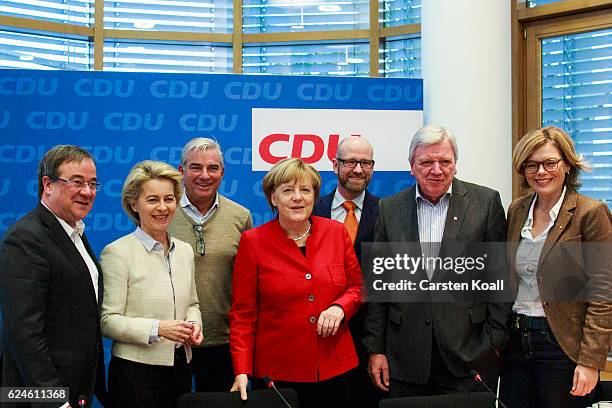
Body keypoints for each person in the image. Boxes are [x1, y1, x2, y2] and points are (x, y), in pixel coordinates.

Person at [363, 124, 511, 397]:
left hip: (469, 353)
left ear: (455, 164)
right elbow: (378, 286)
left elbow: (499, 278)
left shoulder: (486, 203)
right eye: (427, 162)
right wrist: (376, 349)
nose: (437, 169)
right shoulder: (389, 209)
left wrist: (495, 342)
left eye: (445, 161)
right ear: (412, 166)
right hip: (404, 354)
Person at [229, 158, 363, 408]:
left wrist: (340, 307)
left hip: (335, 369)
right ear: (273, 198)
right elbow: (242, 315)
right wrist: (242, 369)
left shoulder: (336, 232)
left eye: (305, 190)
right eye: (288, 190)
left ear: (314, 196)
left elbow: (357, 287)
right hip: (279, 374)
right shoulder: (253, 242)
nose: (297, 198)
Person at [499, 126, 612, 408]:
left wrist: (590, 361)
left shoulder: (590, 213)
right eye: (532, 165)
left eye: (550, 163)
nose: (541, 172)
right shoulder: (517, 210)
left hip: (561, 345)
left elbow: (603, 293)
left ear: (567, 165)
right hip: (516, 341)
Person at [0, 145, 107, 407]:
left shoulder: (74, 232)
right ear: (47, 184)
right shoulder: (25, 238)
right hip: (39, 394)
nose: (87, 192)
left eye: (93, 184)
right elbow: (24, 331)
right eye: (77, 182)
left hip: (76, 386)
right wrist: (53, 399)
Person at [100, 160, 202, 408]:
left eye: (169, 199)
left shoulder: (185, 251)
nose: (162, 207)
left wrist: (194, 325)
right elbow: (107, 321)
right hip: (135, 374)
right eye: (152, 199)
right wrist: (158, 328)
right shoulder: (117, 252)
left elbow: (193, 303)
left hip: (181, 368)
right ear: (134, 203)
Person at [168, 137, 252, 392]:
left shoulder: (240, 216)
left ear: (222, 172)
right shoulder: (161, 213)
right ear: (181, 171)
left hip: (224, 342)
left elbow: (249, 284)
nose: (204, 175)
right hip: (172, 341)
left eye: (213, 168)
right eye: (196, 167)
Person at [312, 135, 380, 408]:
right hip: (320, 338)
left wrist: (378, 347)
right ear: (335, 165)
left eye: (365, 162)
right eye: (350, 161)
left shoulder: (388, 212)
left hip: (368, 339)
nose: (358, 169)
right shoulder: (310, 210)